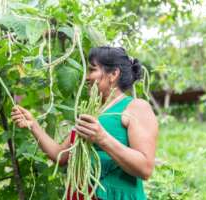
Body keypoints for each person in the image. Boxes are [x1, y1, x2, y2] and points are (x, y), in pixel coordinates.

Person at [11, 46, 158, 200]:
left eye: (92, 70)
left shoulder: (136, 107)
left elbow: (145, 168)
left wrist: (102, 138)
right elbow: (60, 156)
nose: (87, 77)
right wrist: (32, 124)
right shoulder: (91, 113)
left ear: (113, 74)